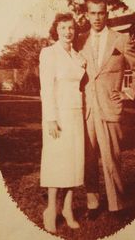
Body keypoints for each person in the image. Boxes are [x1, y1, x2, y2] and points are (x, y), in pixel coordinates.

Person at [75, 0, 135, 212]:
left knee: (112, 157)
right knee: (87, 158)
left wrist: (128, 92)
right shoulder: (79, 41)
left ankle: (116, 205)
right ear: (86, 15)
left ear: (106, 14)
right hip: (86, 109)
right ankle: (93, 201)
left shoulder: (121, 39)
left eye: (101, 13)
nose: (97, 18)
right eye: (93, 13)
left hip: (110, 107)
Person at [39, 13, 86, 233]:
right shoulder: (49, 53)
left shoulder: (78, 56)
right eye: (64, 27)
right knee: (56, 163)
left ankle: (67, 209)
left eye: (71, 28)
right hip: (58, 117)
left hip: (76, 115)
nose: (68, 32)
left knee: (74, 164)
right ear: (56, 30)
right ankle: (50, 210)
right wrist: (50, 119)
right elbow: (46, 89)